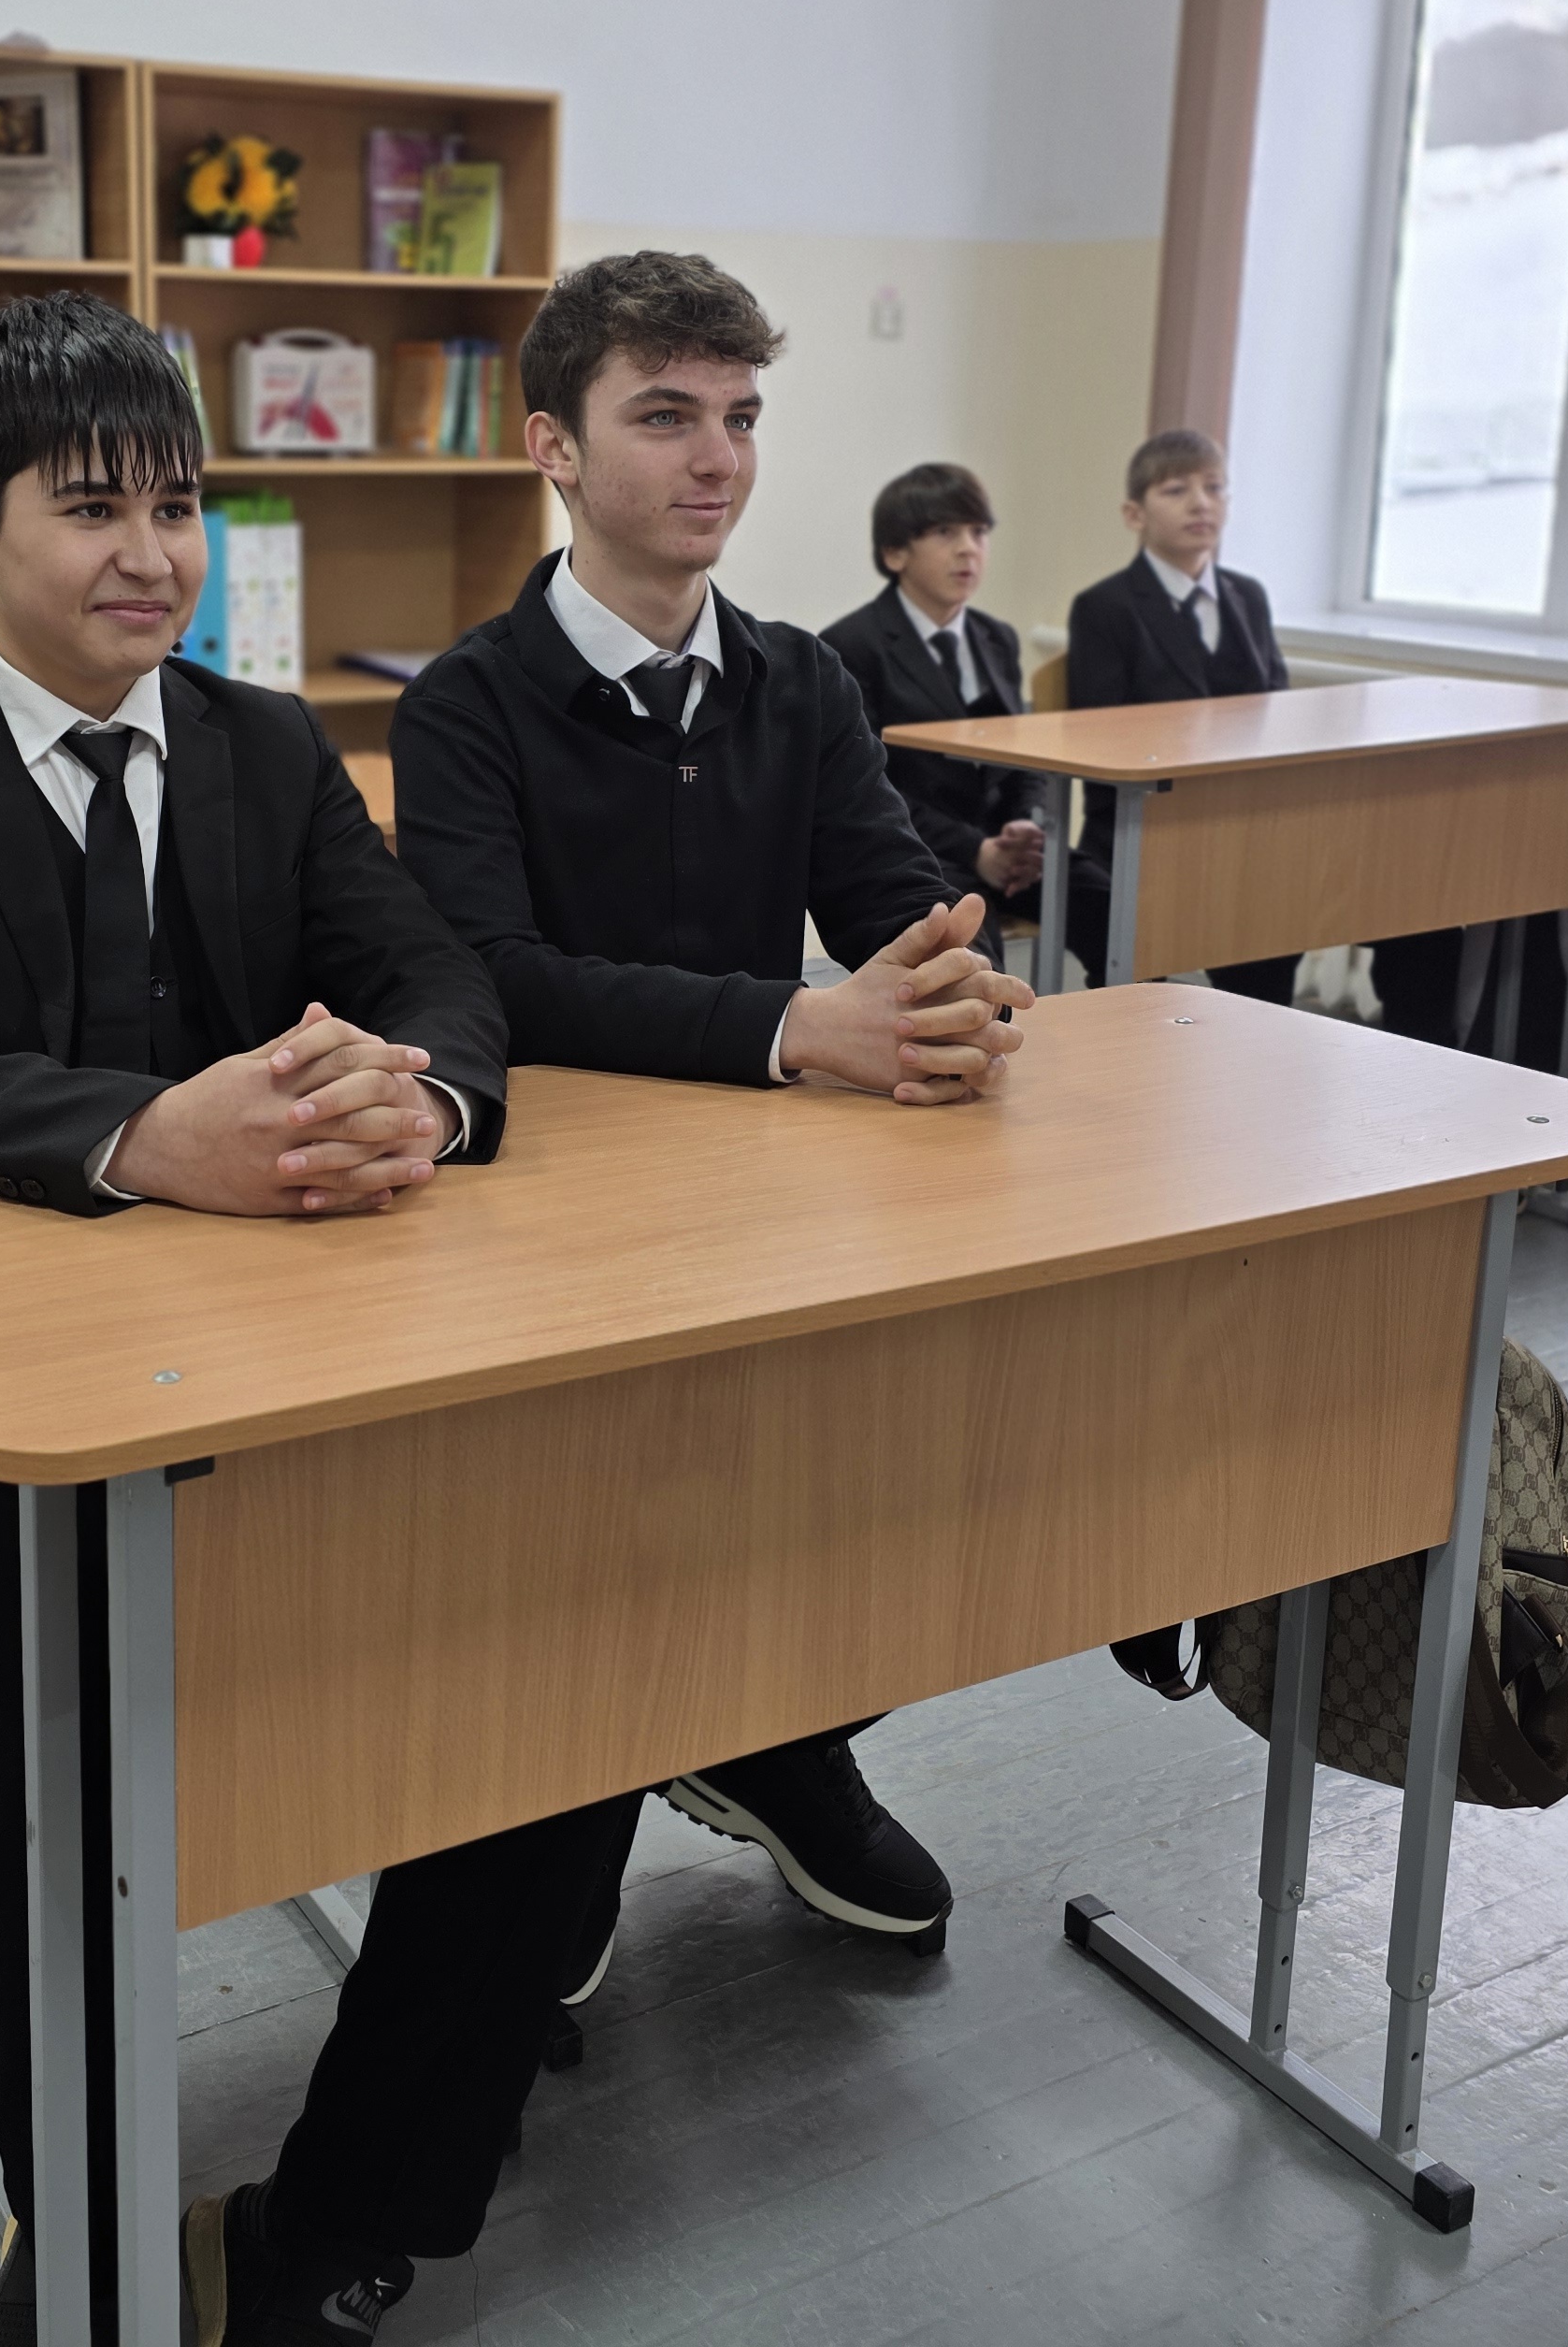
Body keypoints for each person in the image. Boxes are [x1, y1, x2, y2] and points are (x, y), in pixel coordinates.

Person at [0, 289, 616, 2346]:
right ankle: (86, 2258)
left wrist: (422, 1095)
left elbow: (431, 972)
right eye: (90, 509)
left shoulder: (263, 740)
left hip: (279, 1349)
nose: (151, 556)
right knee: (45, 1801)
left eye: (177, 505)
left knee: (559, 1719)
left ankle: (328, 2227)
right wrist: (143, 1136)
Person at [391, 251, 1034, 2002]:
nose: (718, 458)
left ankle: (770, 1736)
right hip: (547, 1226)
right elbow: (494, 979)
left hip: (764, 1202)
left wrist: (953, 977)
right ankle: (565, 1802)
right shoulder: (466, 704)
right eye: (666, 416)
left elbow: (889, 898)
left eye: (741, 418)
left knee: (890, 1488)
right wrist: (797, 1023)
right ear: (552, 445)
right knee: (586, 1544)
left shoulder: (800, 683)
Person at [1064, 428, 1299, 1003]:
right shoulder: (1105, 607)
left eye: (1214, 488)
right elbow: (1102, 743)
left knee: (1274, 948)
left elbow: (1278, 711)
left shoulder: (1248, 597)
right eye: (1176, 490)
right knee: (1136, 984)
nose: (1201, 504)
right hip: (1142, 831)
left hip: (1243, 827)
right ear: (1134, 513)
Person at [819, 460, 1056, 935]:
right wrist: (976, 850)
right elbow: (869, 787)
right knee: (971, 944)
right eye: (946, 532)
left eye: (979, 532)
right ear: (895, 553)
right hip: (919, 848)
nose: (969, 549)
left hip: (1006, 846)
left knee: (1118, 903)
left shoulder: (998, 638)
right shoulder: (851, 646)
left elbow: (1025, 755)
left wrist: (1027, 827)